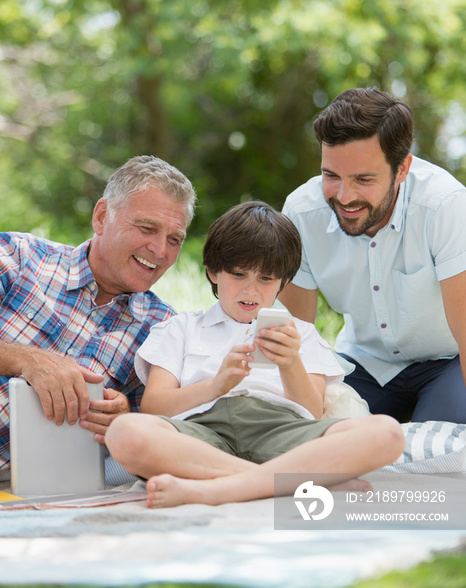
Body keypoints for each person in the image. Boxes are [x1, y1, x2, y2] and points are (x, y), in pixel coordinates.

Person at [106, 201, 404, 508]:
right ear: (213, 273)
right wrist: (215, 386)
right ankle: (281, 484)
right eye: (238, 274)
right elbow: (155, 408)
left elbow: (312, 412)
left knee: (387, 433)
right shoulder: (180, 329)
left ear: (283, 283)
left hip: (284, 434)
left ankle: (222, 489)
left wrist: (290, 363)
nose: (251, 290)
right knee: (125, 432)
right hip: (203, 435)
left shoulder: (300, 333)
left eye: (266, 279)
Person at [0, 155, 196, 475]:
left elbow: (166, 433)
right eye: (147, 228)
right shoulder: (17, 257)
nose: (161, 251)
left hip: (32, 493)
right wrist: (24, 358)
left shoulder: (165, 329)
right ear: (102, 217)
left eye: (174, 239)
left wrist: (125, 422)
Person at [280, 87, 466, 424]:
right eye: (331, 175)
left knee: (441, 449)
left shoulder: (445, 206)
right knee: (325, 438)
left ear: (403, 169)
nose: (344, 196)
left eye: (363, 179)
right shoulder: (301, 213)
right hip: (363, 365)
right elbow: (297, 339)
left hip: (448, 363)